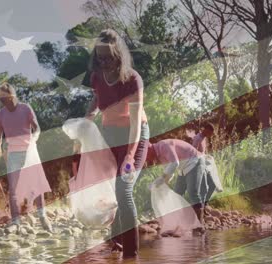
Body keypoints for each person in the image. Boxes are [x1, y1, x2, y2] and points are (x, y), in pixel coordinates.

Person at [85, 29, 150, 258]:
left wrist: (131, 156)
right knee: (113, 190)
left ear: (118, 56)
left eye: (108, 58)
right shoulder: (96, 77)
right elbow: (97, 96)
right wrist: (88, 118)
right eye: (99, 58)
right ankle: (116, 242)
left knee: (124, 189)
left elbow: (134, 123)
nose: (104, 63)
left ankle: (131, 256)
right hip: (110, 135)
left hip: (135, 136)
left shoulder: (133, 79)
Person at [0, 83, 52, 231]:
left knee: (36, 184)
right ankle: (16, 221)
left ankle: (42, 215)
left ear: (12, 96)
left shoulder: (25, 108)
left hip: (30, 150)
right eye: (0, 99)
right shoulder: (0, 114)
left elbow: (36, 127)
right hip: (13, 154)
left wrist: (35, 136)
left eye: (4, 98)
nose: (2, 102)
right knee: (13, 189)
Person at [147, 139, 207, 233]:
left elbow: (175, 163)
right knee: (177, 193)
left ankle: (199, 225)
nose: (146, 159)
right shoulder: (159, 155)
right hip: (183, 168)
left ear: (149, 149)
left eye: (145, 156)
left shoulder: (164, 145)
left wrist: (162, 178)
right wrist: (159, 184)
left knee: (193, 192)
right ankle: (181, 224)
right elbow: (169, 172)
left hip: (195, 161)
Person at [191, 123, 218, 207]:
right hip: (197, 166)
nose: (211, 135)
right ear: (206, 130)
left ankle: (204, 206)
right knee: (204, 188)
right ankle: (200, 208)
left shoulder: (204, 138)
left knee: (213, 185)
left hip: (204, 165)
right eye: (210, 133)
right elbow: (193, 152)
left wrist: (206, 157)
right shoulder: (197, 138)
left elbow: (202, 152)